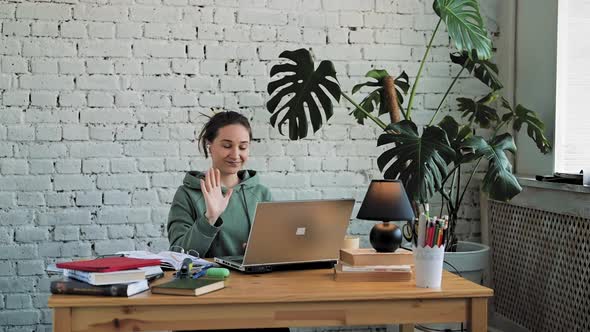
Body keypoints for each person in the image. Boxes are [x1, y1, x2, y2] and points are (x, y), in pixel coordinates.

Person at [167, 111, 272, 258]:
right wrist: (210, 218)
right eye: (227, 146)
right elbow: (178, 254)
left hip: (256, 280)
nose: (235, 155)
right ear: (209, 146)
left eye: (242, 147)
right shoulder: (187, 194)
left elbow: (275, 249)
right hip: (208, 279)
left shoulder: (262, 194)